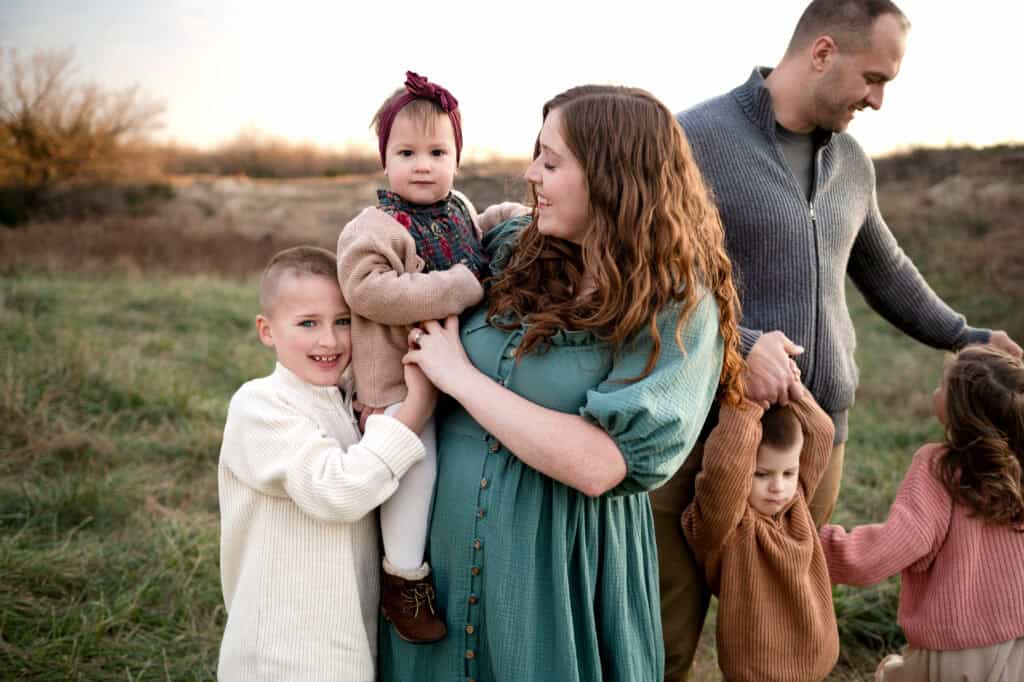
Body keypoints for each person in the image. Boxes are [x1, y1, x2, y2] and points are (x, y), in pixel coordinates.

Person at [652, 1, 1024, 676]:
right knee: (665, 632)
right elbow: (660, 276)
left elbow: (885, 268)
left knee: (786, 637)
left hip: (815, 445)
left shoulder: (852, 161)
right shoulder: (692, 138)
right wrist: (743, 344)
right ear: (822, 52)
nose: (878, 101)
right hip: (700, 429)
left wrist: (967, 335)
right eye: (873, 78)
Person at [378, 84, 744, 681]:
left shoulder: (676, 308)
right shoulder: (508, 250)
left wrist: (460, 378)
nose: (531, 174)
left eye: (551, 162)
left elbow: (601, 462)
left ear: (613, 177)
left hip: (559, 567)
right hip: (438, 560)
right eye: (536, 156)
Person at [336, 71, 524, 643]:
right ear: (384, 161)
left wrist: (507, 220)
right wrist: (462, 286)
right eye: (407, 152)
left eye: (438, 152)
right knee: (417, 470)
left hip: (451, 379)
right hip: (398, 387)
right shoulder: (374, 229)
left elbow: (474, 236)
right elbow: (372, 292)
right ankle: (403, 577)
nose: (424, 164)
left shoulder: (458, 207)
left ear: (457, 159)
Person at [216, 246, 436, 681]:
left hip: (343, 642)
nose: (329, 341)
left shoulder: (344, 400)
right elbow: (338, 492)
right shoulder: (261, 405)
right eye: (307, 324)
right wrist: (415, 411)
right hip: (282, 651)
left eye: (343, 322)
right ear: (267, 330)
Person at [820, 345, 1024, 681]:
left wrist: (816, 546)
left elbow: (893, 545)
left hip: (956, 655)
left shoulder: (939, 468)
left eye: (943, 385)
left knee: (890, 674)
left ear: (962, 413)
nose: (935, 390)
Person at [682, 388, 839, 681]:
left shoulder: (797, 502)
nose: (778, 488)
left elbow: (821, 433)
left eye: (788, 473)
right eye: (761, 474)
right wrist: (744, 403)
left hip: (815, 661)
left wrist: (793, 389)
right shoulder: (727, 524)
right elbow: (724, 469)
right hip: (756, 671)